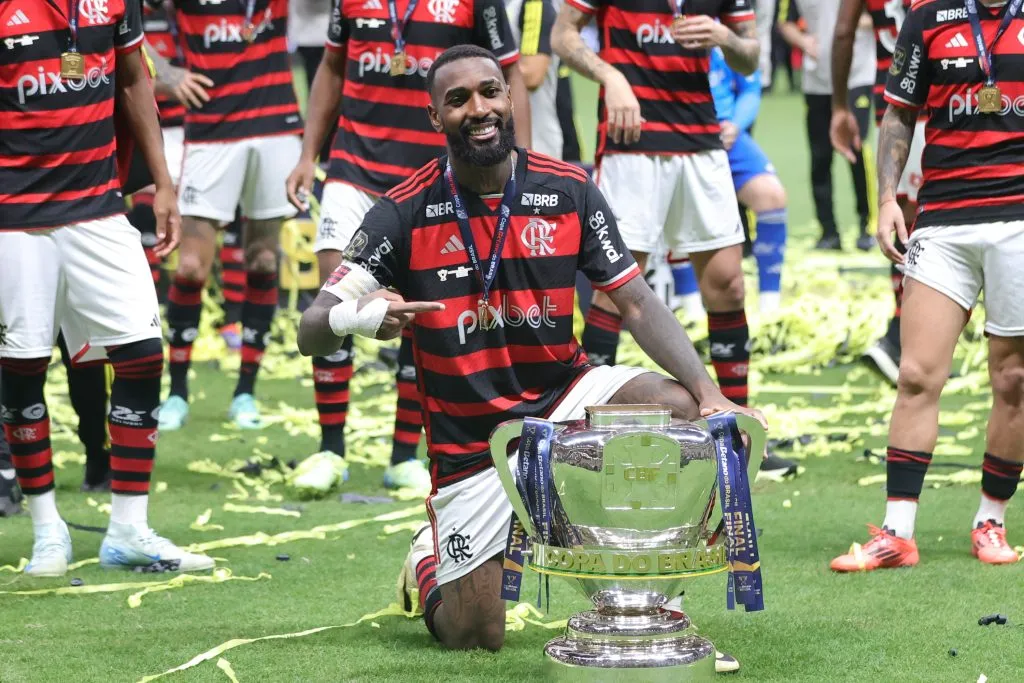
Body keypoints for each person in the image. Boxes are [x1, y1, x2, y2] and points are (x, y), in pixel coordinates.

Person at [296, 44, 765, 655]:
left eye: (491, 91)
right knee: (475, 634)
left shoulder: (569, 189)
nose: (480, 108)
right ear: (436, 118)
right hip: (469, 441)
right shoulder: (402, 211)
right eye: (458, 99)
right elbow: (311, 329)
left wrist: (710, 395)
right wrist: (361, 316)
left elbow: (639, 304)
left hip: (563, 394)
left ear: (510, 97)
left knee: (678, 411)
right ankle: (427, 558)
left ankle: (646, 597)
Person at [0, 0, 213, 575]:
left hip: (99, 208)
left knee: (143, 356)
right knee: (20, 367)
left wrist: (162, 182)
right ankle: (48, 531)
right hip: (13, 216)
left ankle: (127, 530)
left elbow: (133, 80)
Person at [284, 0, 532, 491]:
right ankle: (330, 450)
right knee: (334, 299)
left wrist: (519, 162)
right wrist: (308, 154)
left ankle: (403, 455)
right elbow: (332, 67)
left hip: (431, 183)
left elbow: (510, 75)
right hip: (353, 170)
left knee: (420, 311)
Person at [831, 0, 1024, 572]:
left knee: (1012, 378)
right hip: (942, 219)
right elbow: (897, 115)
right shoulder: (927, 17)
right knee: (916, 373)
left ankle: (990, 518)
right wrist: (888, 199)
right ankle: (897, 533)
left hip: (1019, 217)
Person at [155, 0, 304, 432]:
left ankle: (245, 393)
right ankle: (177, 392)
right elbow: (122, 22)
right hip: (212, 129)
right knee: (190, 267)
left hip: (276, 127)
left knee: (262, 259)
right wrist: (166, 74)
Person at [831, 0, 921, 386]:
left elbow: (842, 32)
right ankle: (903, 336)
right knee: (922, 219)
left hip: (894, 106)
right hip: (946, 101)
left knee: (903, 215)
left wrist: (839, 105)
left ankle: (905, 332)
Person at [672, 47, 788, 317]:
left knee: (772, 197)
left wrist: (735, 125)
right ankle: (690, 311)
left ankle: (770, 307)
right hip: (676, 133)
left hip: (725, 135)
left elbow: (750, 87)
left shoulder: (725, 34)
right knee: (678, 207)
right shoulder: (665, 27)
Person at [778, 0, 876, 251]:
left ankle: (868, 225)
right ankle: (828, 231)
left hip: (856, 74)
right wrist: (803, 42)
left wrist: (858, 22)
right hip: (817, 79)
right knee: (820, 156)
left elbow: (886, 14)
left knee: (856, 148)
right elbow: (785, 23)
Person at [505, 0, 562, 158]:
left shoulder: (535, 4)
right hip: (500, 141)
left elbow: (532, 74)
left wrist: (475, 75)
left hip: (537, 142)